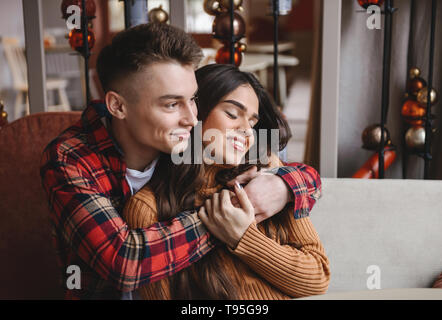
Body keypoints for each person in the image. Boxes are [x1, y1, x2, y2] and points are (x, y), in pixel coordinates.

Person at [40, 23, 323, 299]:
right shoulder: (71, 159)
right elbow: (124, 261)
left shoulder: (186, 140)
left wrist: (283, 185)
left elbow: (297, 172)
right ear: (118, 106)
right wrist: (230, 214)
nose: (191, 118)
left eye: (193, 100)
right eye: (171, 104)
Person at [123, 63, 329, 299]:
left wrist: (244, 238)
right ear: (194, 114)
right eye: (232, 114)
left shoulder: (267, 174)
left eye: (252, 123)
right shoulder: (148, 207)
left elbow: (317, 278)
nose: (247, 132)